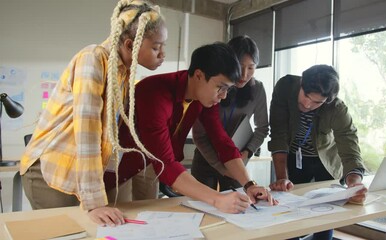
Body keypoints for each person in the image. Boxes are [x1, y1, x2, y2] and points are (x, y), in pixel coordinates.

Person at [20, 0, 167, 226]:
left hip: (78, 176)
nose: (162, 54)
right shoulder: (93, 58)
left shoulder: (123, 73)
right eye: (156, 47)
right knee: (69, 232)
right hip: (51, 174)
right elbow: (87, 133)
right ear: (130, 45)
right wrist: (94, 202)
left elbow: (108, 138)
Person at [104, 42, 276, 224]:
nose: (224, 96)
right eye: (221, 87)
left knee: (148, 217)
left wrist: (249, 185)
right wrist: (217, 199)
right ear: (199, 75)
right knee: (118, 219)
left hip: (150, 163)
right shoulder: (155, 92)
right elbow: (167, 163)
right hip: (120, 164)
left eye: (228, 89)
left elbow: (222, 141)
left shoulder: (202, 98)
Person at [268, 64, 367, 240]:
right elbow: (278, 133)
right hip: (293, 156)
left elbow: (348, 142)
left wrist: (354, 182)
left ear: (327, 100)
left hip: (325, 160)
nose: (307, 104)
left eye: (317, 102)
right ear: (301, 84)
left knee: (326, 214)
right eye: (306, 96)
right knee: (289, 208)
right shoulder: (285, 87)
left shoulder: (337, 108)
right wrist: (282, 177)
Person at [191, 35, 268, 191]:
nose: (244, 74)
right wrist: (222, 167)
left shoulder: (258, 89)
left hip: (237, 158)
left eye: (251, 67)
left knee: (240, 205)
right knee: (203, 206)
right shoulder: (212, 88)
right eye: (240, 66)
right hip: (207, 158)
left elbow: (262, 128)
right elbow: (199, 135)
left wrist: (247, 152)